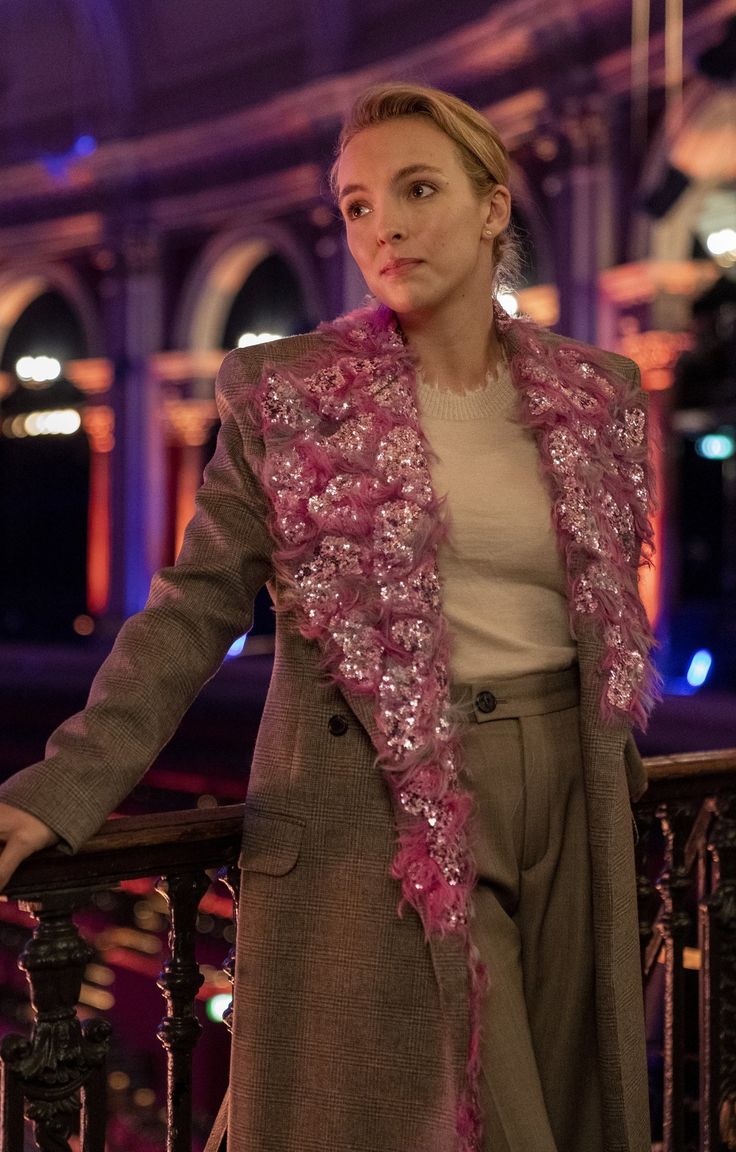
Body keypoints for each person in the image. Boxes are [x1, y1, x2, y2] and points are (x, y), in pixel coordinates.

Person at [0, 83, 658, 1152]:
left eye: (416, 189)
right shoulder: (288, 394)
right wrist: (61, 788)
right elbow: (193, 606)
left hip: (574, 793)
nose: (383, 225)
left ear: (494, 208)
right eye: (356, 206)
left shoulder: (598, 391)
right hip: (391, 805)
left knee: (575, 1099)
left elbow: (597, 611)